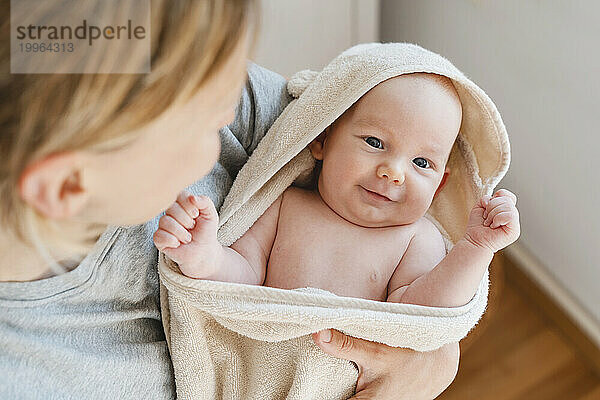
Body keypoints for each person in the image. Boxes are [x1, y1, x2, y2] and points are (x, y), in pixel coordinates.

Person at [0, 1, 460, 399]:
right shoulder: (31, 375)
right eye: (205, 126)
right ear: (66, 187)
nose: (228, 120)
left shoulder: (135, 63)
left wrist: (435, 355)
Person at [156, 73, 519, 311]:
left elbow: (424, 312)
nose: (393, 172)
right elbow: (245, 277)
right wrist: (206, 257)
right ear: (322, 140)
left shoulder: (415, 238)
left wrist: (475, 249)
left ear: (440, 185)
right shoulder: (284, 205)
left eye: (422, 163)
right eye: (375, 142)